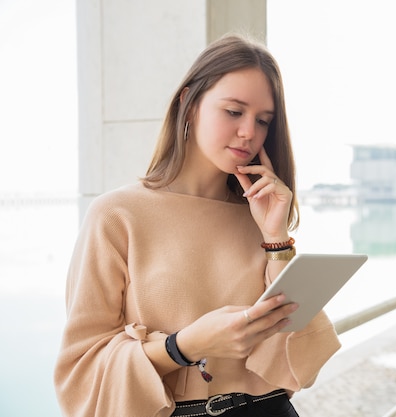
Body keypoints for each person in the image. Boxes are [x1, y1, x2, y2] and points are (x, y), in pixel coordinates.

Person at [54, 34, 341, 417]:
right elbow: (81, 371)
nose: (249, 133)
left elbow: (304, 365)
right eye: (234, 111)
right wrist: (183, 346)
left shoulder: (260, 216)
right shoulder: (116, 215)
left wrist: (276, 238)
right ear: (189, 105)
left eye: (263, 121)